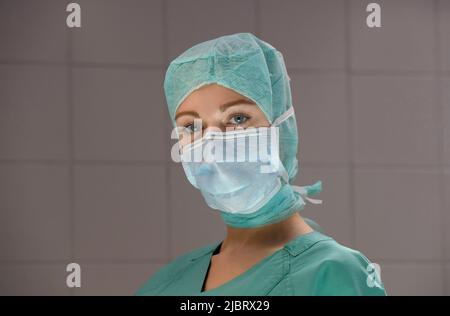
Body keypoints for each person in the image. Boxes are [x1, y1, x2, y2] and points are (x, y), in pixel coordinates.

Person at [136, 33, 386, 296]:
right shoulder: (165, 284)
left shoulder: (333, 274)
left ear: (281, 126)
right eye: (190, 125)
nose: (212, 143)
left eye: (238, 118)